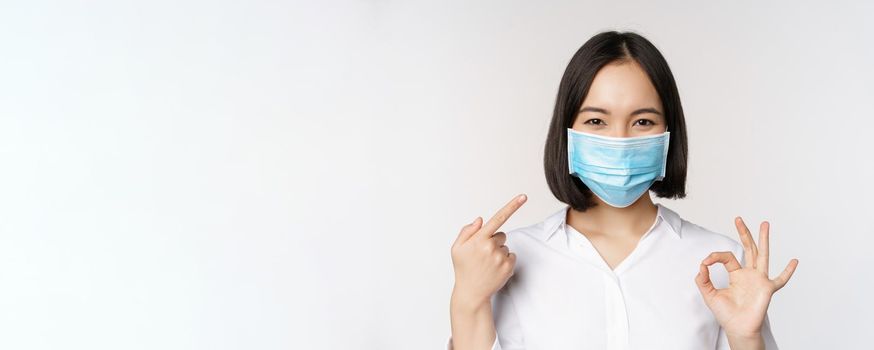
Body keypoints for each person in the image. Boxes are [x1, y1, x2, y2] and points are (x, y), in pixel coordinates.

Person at [447, 31, 799, 350]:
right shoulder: (507, 259)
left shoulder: (721, 261)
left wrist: (746, 338)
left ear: (668, 133)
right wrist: (467, 301)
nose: (620, 140)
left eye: (643, 121)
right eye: (596, 121)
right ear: (567, 132)